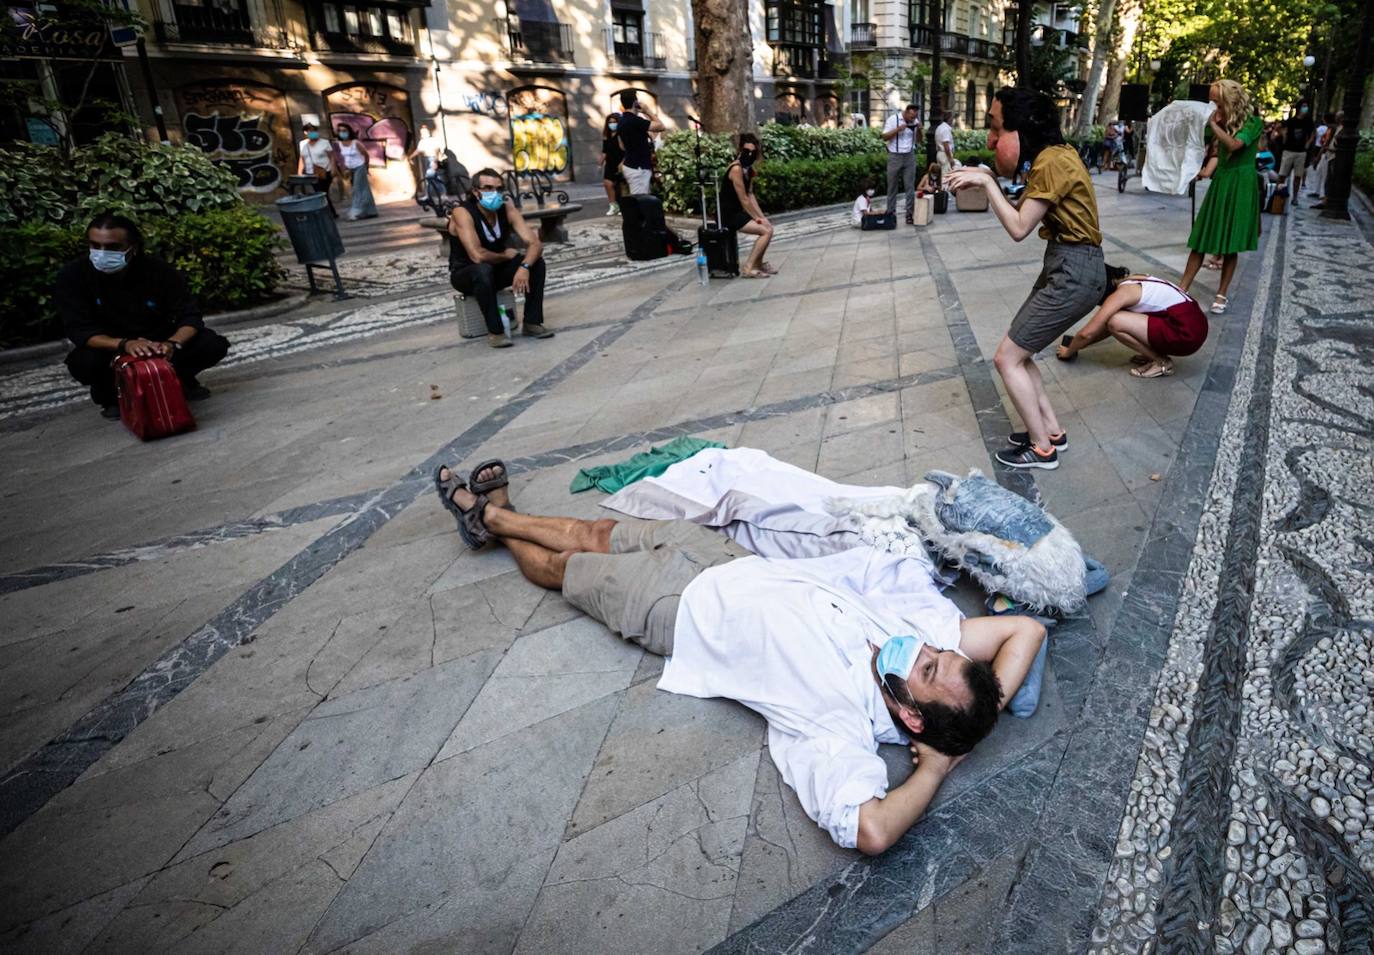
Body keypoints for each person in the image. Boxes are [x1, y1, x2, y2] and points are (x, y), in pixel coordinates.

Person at [433, 460, 1046, 855]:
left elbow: (874, 831)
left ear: (912, 717)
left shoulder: (835, 719)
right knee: (594, 532)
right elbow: (1024, 632)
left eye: (929, 669)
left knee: (565, 570)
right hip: (724, 560)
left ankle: (492, 525)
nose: (928, 649)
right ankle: (497, 515)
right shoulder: (913, 643)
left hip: (674, 607)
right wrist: (975, 730)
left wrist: (937, 768)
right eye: (938, 654)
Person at [945, 87, 1106, 471]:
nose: (991, 140)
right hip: (1068, 265)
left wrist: (986, 182)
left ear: (1022, 129)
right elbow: (1025, 210)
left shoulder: (1051, 161)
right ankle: (1051, 431)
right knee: (1021, 351)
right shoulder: (1055, 157)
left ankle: (1041, 449)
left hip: (1074, 270)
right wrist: (991, 180)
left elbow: (1019, 227)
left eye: (997, 130)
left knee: (1007, 358)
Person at [57, 213, 230, 418]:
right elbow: (79, 330)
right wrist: (125, 344)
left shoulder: (158, 271)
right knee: (83, 362)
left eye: (112, 247)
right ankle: (112, 396)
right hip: (111, 347)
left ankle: (179, 381)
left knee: (211, 343)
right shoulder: (73, 276)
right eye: (95, 246)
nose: (101, 254)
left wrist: (171, 344)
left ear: (133, 247)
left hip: (159, 341)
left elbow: (190, 316)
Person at [1177, 79, 1262, 316]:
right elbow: (1199, 141)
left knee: (1230, 244)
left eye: (1216, 100)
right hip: (1222, 181)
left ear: (1229, 100)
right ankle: (1182, 288)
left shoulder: (1253, 123)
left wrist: (1214, 126)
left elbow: (1234, 145)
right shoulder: (1217, 120)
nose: (1212, 105)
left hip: (1241, 184)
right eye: (1211, 100)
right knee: (1201, 239)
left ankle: (1222, 294)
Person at [448, 168, 554, 347]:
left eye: (498, 189)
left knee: (537, 263)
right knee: (482, 270)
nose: (494, 193)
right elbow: (477, 256)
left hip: (494, 269)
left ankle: (532, 322)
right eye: (488, 188)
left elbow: (535, 244)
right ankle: (495, 332)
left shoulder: (507, 209)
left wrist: (524, 267)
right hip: (466, 273)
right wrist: (506, 256)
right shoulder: (462, 213)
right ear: (475, 191)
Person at [1056, 266, 1209, 379]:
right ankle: (1154, 354)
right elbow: (1104, 330)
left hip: (1186, 334)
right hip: (1196, 323)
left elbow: (1088, 333)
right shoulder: (1136, 278)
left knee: (1115, 320)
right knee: (1117, 320)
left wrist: (1068, 352)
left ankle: (1161, 362)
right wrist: (1078, 345)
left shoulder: (1122, 294)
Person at [720, 133, 775, 278]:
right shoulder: (736, 169)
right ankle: (749, 267)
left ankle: (759, 263)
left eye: (753, 152)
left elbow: (750, 194)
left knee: (768, 227)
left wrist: (762, 217)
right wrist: (757, 219)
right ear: (740, 150)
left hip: (739, 212)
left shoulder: (749, 170)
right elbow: (744, 199)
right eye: (746, 151)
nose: (750, 155)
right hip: (729, 214)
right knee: (766, 231)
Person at [615, 90, 662, 196]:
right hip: (639, 167)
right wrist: (647, 111)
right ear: (635, 103)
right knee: (640, 200)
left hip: (630, 164)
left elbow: (621, 146)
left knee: (638, 198)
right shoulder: (636, 121)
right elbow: (661, 126)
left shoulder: (621, 122)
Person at [882, 104, 921, 224]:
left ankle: (909, 214)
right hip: (894, 156)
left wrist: (920, 129)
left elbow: (919, 140)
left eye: (915, 116)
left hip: (909, 156)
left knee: (910, 187)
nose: (913, 119)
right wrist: (898, 129)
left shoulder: (915, 121)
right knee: (892, 186)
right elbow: (884, 137)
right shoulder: (893, 120)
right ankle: (890, 213)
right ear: (907, 112)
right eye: (911, 117)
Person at [334, 124, 377, 221]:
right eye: (340, 131)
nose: (342, 133)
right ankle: (370, 211)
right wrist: (342, 170)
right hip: (349, 170)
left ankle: (355, 212)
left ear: (349, 131)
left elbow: (366, 154)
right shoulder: (338, 144)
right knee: (364, 189)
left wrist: (366, 166)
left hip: (359, 167)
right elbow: (338, 158)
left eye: (344, 130)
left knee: (357, 189)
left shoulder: (355, 143)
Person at [297, 122, 339, 217]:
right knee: (320, 193)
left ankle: (329, 213)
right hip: (311, 173)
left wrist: (333, 168)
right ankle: (330, 213)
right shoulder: (302, 144)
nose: (312, 133)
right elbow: (302, 158)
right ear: (305, 132)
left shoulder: (324, 142)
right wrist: (299, 171)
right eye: (310, 131)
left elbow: (332, 156)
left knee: (322, 192)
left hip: (324, 171)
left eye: (314, 131)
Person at [1276, 99, 1314, 197]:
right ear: (1299, 108)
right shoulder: (1291, 121)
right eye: (1303, 106)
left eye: (1306, 106)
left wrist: (1308, 143)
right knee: (1282, 174)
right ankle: (1277, 194)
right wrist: (1283, 135)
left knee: (1298, 176)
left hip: (1301, 152)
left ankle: (1295, 197)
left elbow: (1313, 133)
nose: (1305, 108)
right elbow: (1279, 126)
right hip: (1288, 150)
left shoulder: (1308, 121)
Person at [1308, 111, 1340, 205]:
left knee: (1325, 174)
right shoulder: (1331, 128)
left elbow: (1327, 142)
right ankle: (1317, 191)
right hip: (1326, 152)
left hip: (1328, 153)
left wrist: (1318, 155)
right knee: (1319, 171)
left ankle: (1322, 194)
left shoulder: (1332, 128)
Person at [599, 113, 625, 216]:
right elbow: (604, 151)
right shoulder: (607, 136)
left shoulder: (621, 135)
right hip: (610, 163)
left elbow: (626, 150)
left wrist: (623, 162)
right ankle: (613, 206)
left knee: (621, 186)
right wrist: (600, 163)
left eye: (614, 122)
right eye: (610, 122)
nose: (612, 124)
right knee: (607, 184)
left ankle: (623, 206)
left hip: (620, 163)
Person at [413, 124, 446, 202]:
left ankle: (428, 196)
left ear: (428, 132)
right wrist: (410, 157)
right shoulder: (422, 141)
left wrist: (435, 161)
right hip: (426, 159)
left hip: (432, 159)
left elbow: (437, 150)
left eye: (425, 132)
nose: (423, 134)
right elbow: (418, 150)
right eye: (422, 133)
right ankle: (443, 194)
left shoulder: (432, 140)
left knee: (429, 177)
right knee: (436, 177)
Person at [935, 110, 956, 176]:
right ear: (950, 119)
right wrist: (950, 159)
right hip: (945, 155)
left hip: (940, 154)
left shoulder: (940, 127)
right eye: (952, 118)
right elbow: (946, 145)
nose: (953, 120)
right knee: (946, 175)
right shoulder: (945, 129)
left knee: (941, 175)